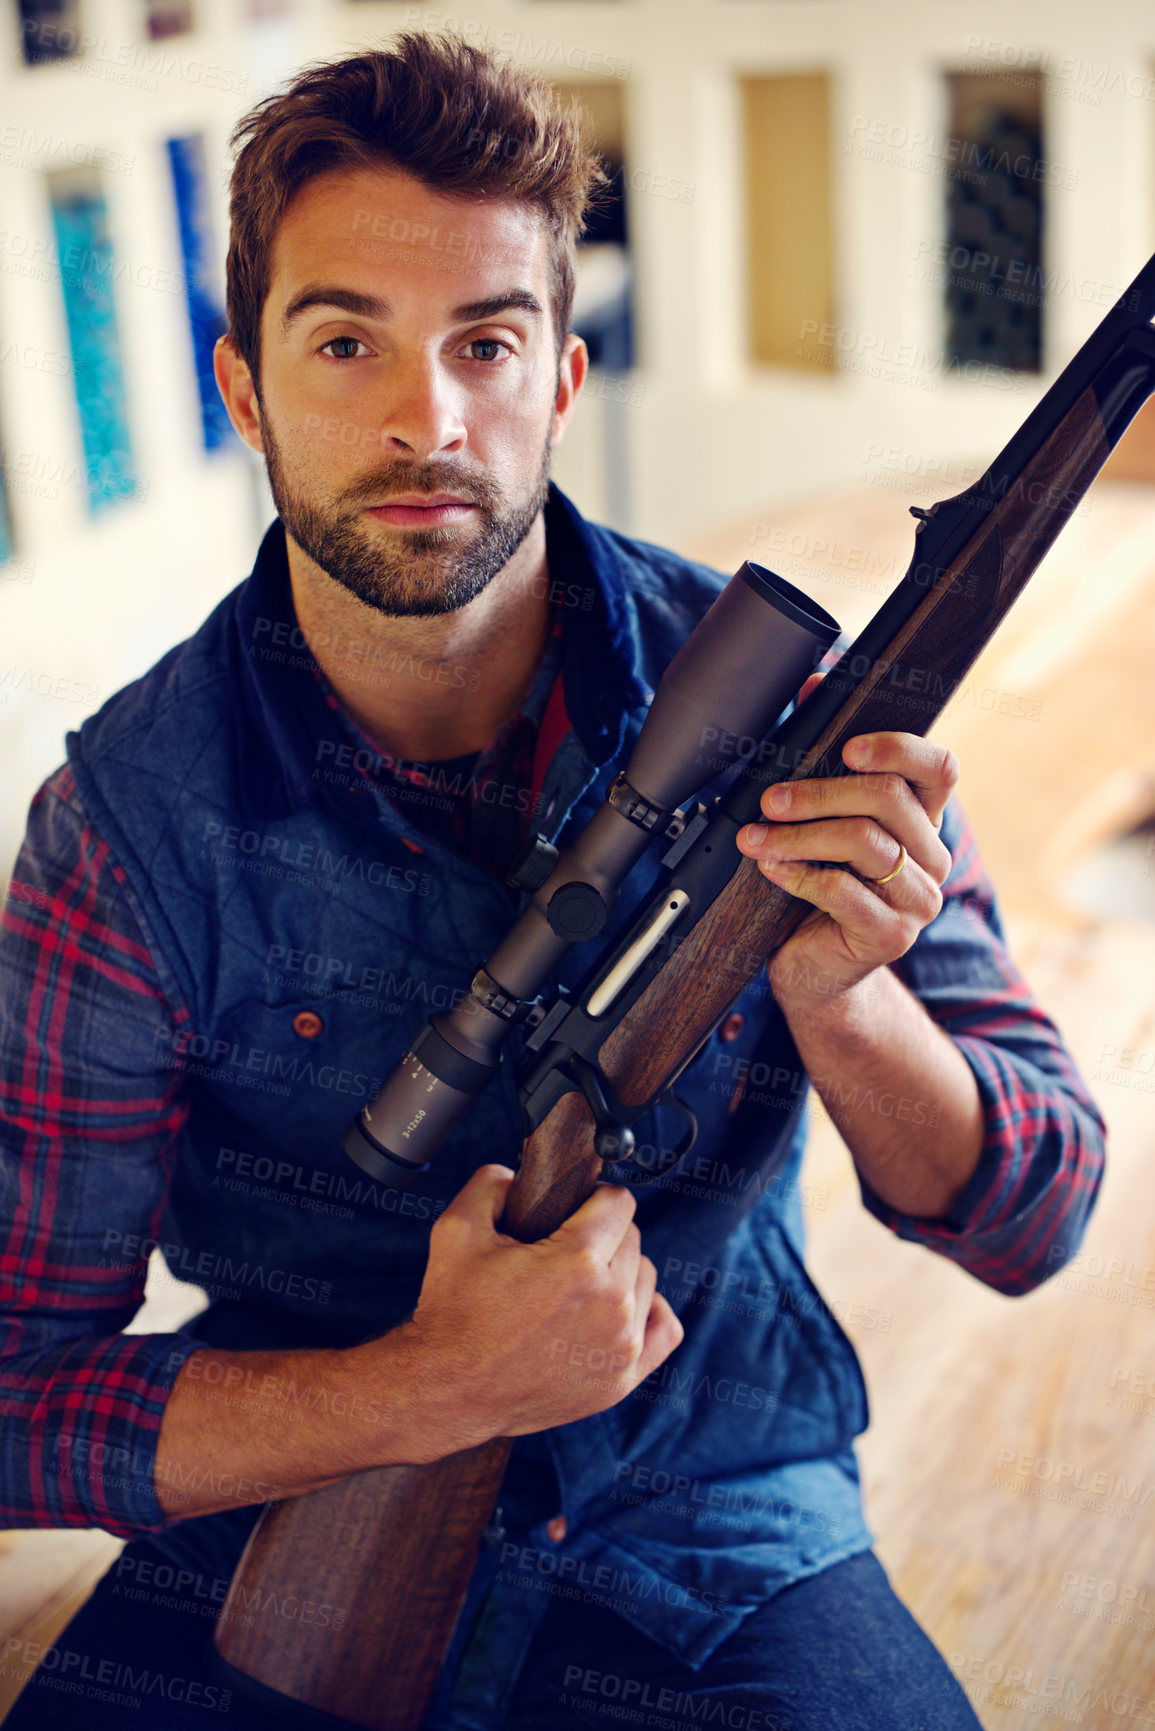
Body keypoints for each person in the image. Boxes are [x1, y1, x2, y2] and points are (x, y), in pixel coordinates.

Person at [0, 32, 1104, 1731]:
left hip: (713, 1494)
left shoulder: (791, 714)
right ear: (242, 389)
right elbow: (13, 1404)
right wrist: (421, 1390)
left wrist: (843, 991)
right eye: (346, 338)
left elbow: (1042, 1212)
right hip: (295, 1477)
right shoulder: (126, 830)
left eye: (487, 342)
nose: (425, 418)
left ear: (567, 382)